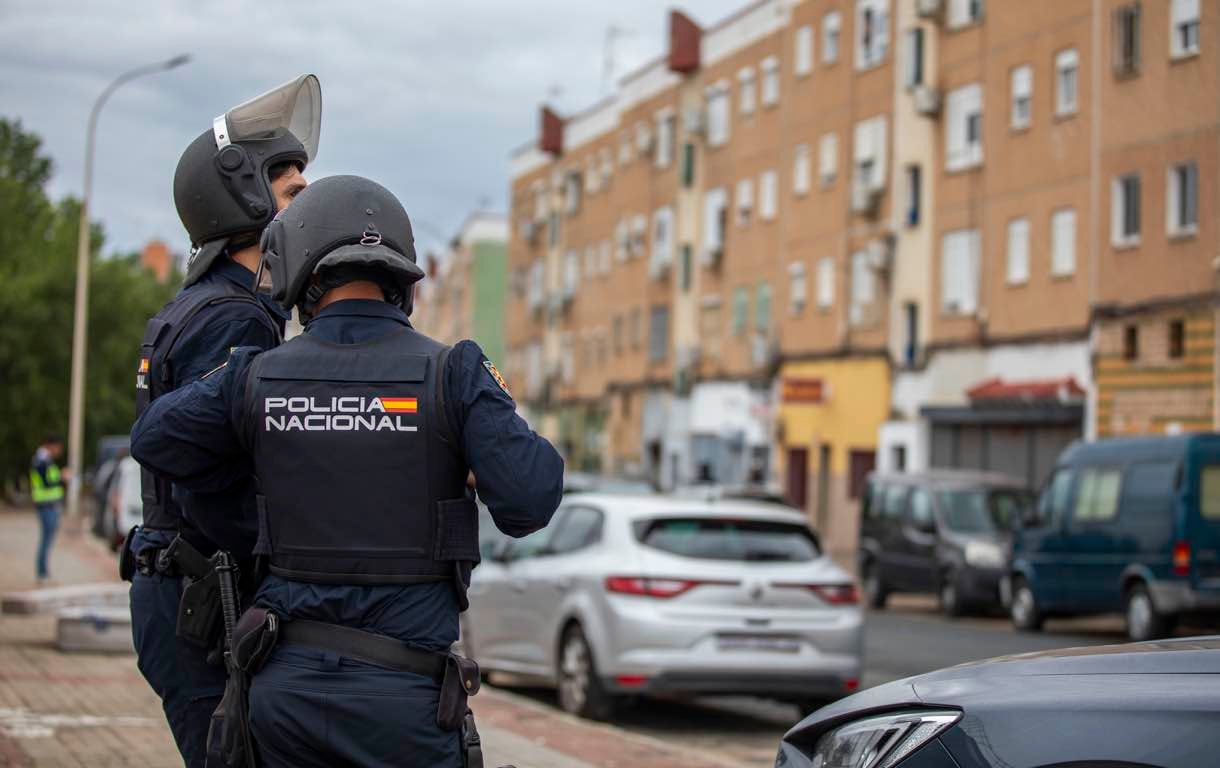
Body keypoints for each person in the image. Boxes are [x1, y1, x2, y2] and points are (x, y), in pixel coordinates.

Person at [131, 174, 564, 767]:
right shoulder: (452, 372)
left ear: (301, 271)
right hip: (404, 708)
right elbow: (530, 500)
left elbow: (154, 439)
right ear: (401, 280)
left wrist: (273, 448)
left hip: (282, 702)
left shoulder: (255, 374)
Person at [126, 74, 321, 768]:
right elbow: (213, 481)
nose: (309, 208)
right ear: (240, 195)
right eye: (294, 193)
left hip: (180, 594)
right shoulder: (238, 319)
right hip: (199, 603)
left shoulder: (203, 304)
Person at [29, 434, 68, 584]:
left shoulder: (45, 460)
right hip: (46, 505)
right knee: (46, 540)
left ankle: (44, 572)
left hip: (49, 504)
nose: (59, 451)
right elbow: (47, 483)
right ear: (51, 445)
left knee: (47, 540)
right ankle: (42, 573)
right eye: (58, 447)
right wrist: (62, 478)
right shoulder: (41, 461)